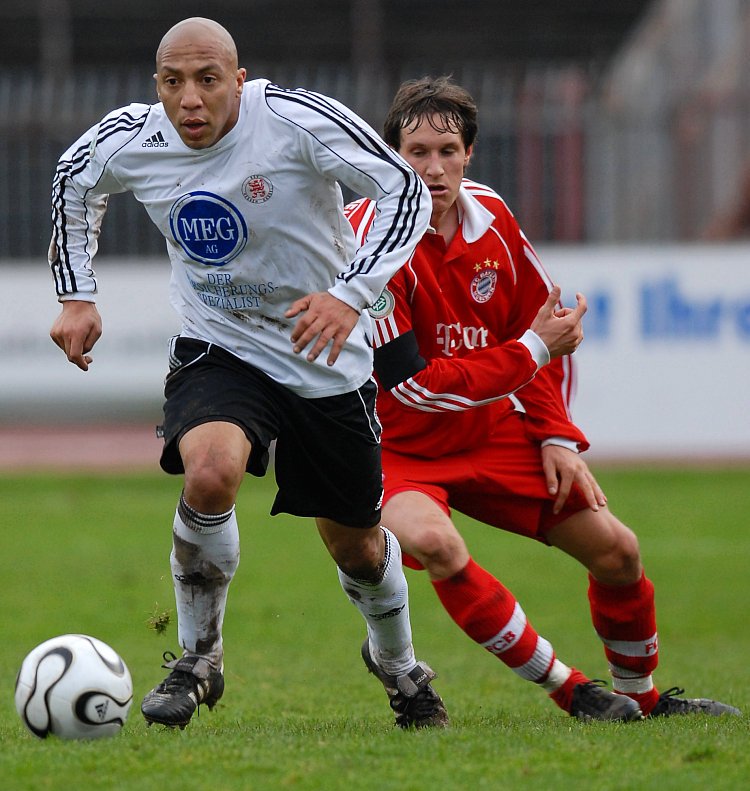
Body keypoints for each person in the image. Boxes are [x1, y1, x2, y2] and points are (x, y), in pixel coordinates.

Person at [47, 18, 463, 732]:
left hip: (322, 353)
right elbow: (72, 180)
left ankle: (399, 666)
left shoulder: (295, 121)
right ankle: (197, 658)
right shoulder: (133, 138)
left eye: (207, 80)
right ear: (157, 86)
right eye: (173, 82)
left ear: (238, 81)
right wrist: (76, 294)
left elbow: (404, 189)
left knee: (359, 548)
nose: (190, 99)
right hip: (220, 342)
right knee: (210, 474)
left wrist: (350, 295)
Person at [345, 76, 741, 720]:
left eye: (447, 151)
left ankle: (641, 700)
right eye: (417, 153)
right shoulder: (370, 239)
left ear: (469, 154)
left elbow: (542, 324)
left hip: (489, 433)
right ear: (393, 156)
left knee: (618, 551)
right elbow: (414, 385)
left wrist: (555, 434)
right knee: (437, 545)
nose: (434, 168)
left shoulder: (493, 218)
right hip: (394, 448)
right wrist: (531, 350)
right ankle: (571, 690)